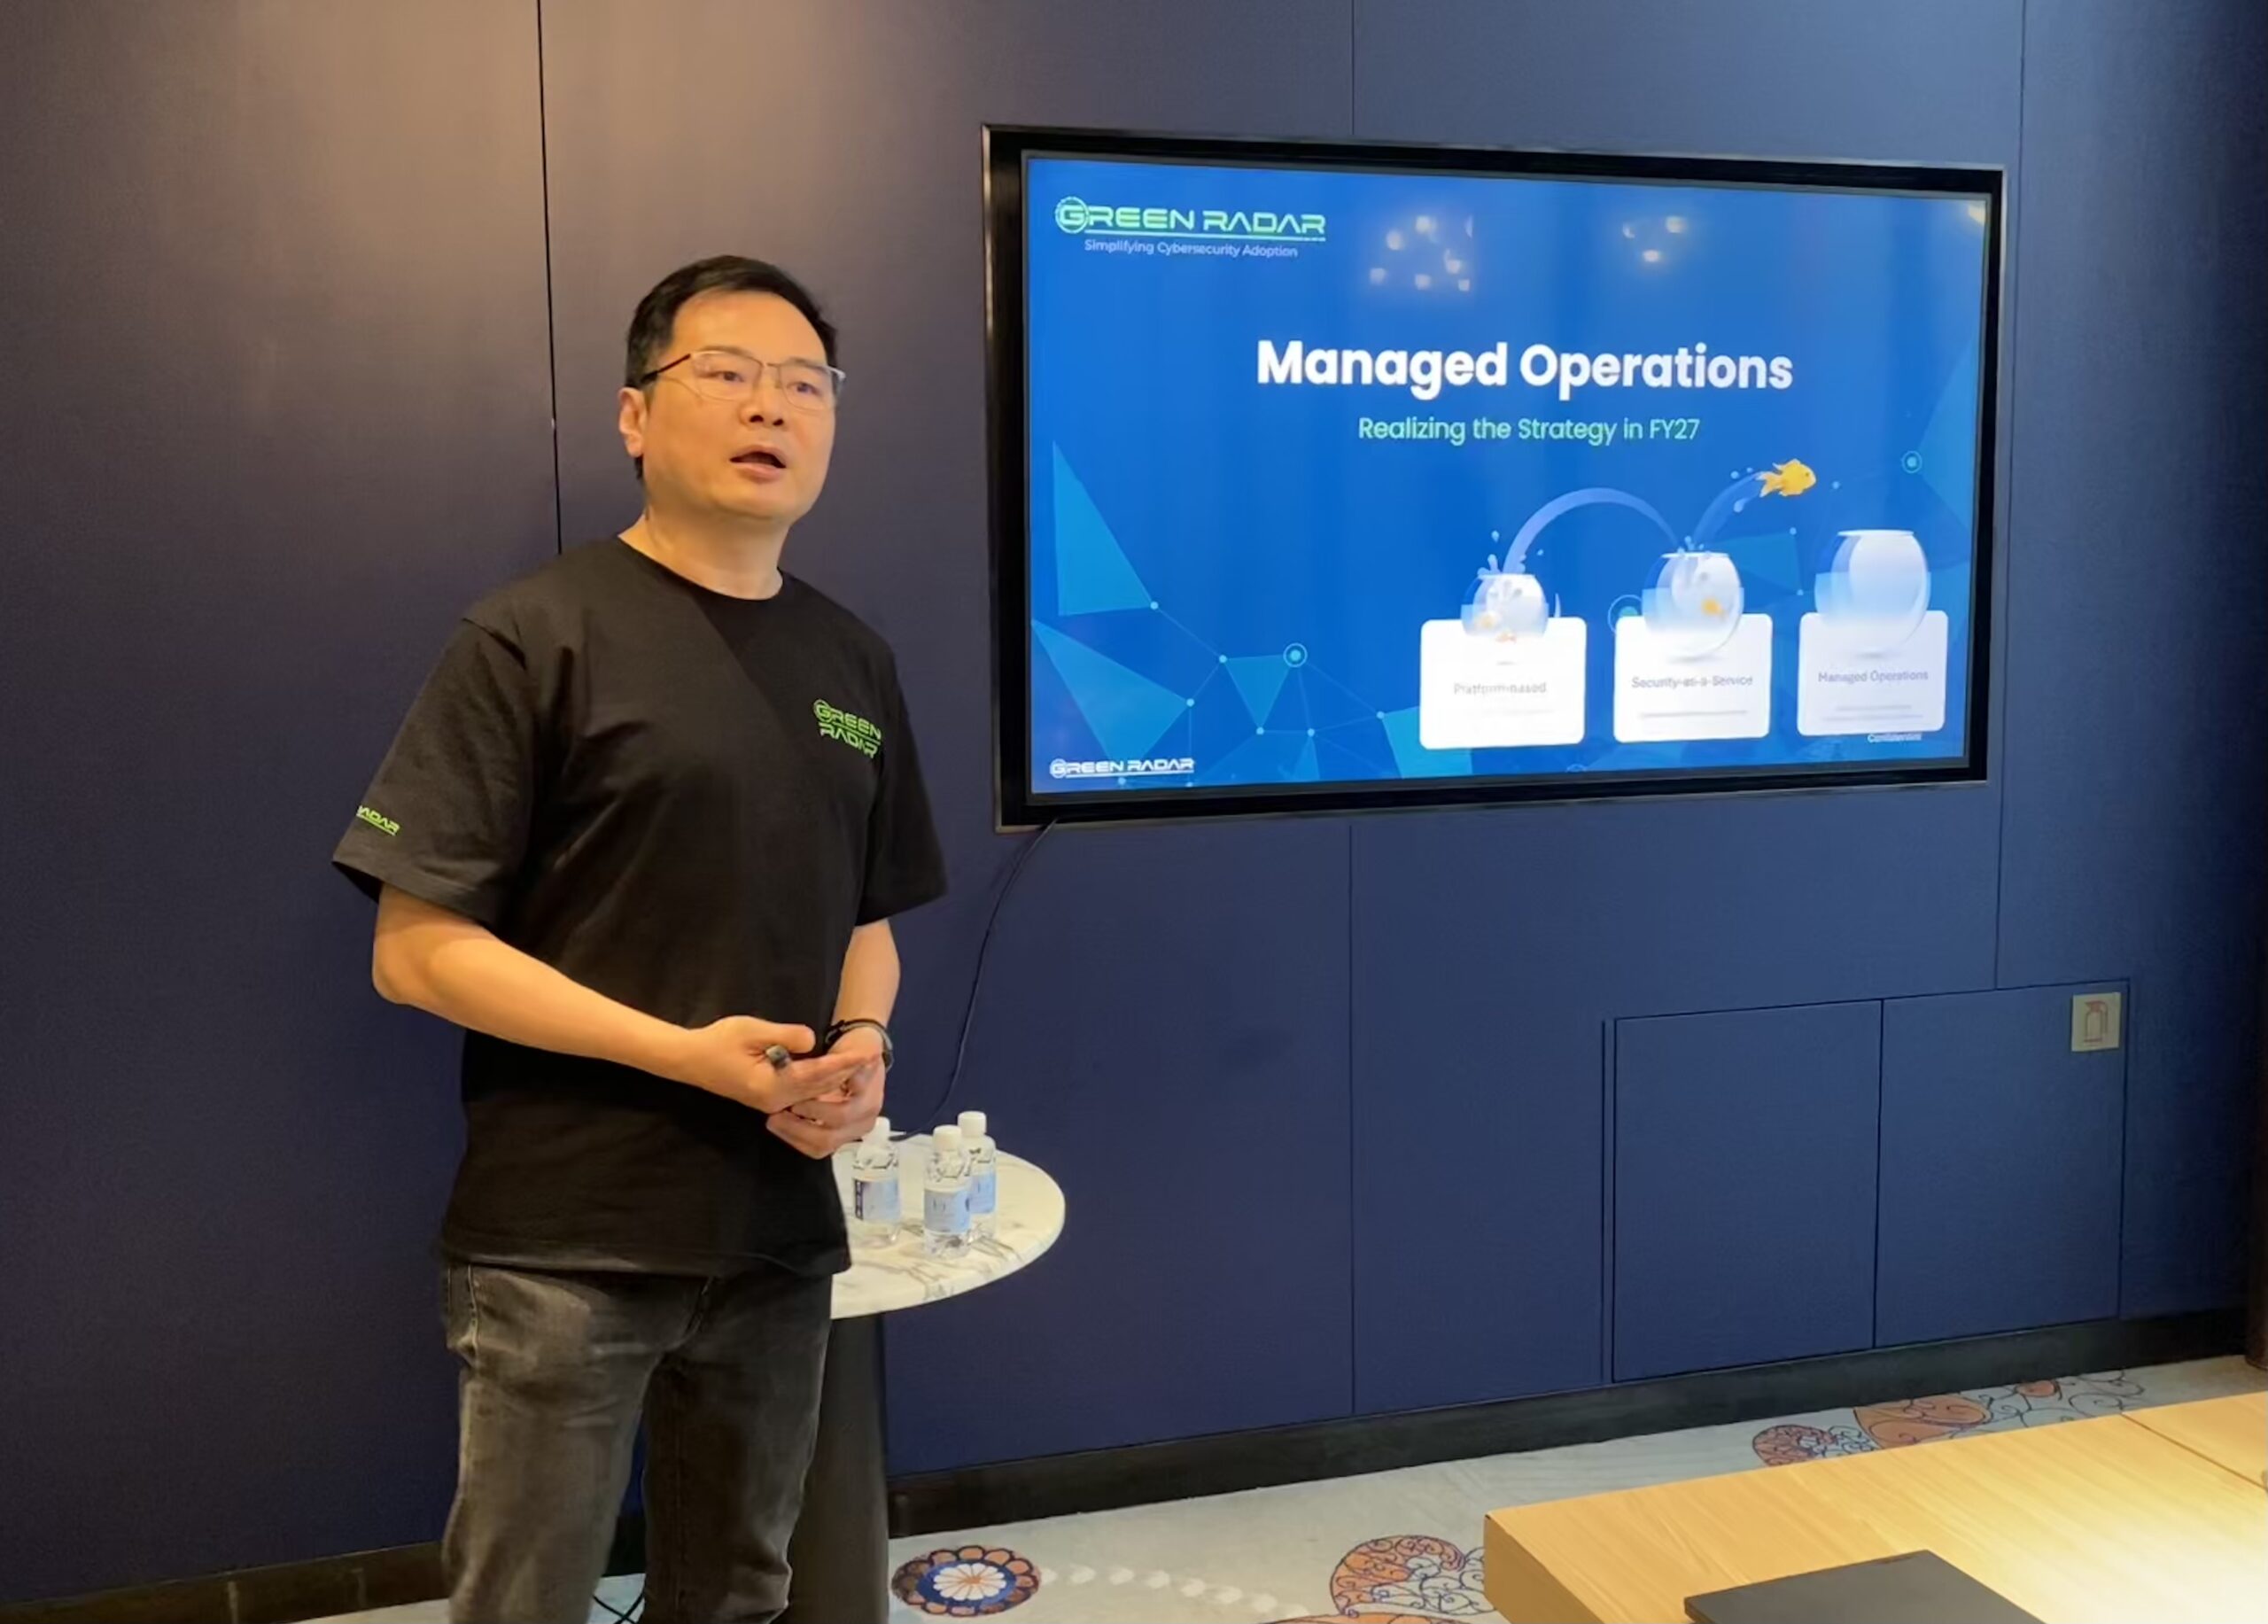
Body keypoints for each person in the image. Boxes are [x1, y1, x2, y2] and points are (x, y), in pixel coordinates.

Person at [332, 254, 947, 1623]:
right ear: (634, 414)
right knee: (526, 1599)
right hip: (566, 1241)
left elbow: (870, 918)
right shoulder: (532, 635)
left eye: (806, 385)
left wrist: (864, 1042)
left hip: (777, 1229)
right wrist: (683, 1054)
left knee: (738, 1590)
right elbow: (413, 950)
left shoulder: (854, 661)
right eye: (725, 373)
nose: (769, 406)